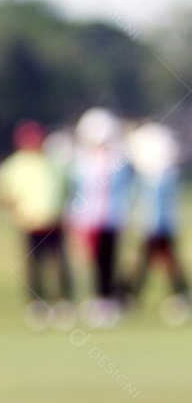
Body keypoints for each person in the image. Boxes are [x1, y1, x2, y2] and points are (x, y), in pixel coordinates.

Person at [0, 120, 75, 330]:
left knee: (59, 265)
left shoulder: (53, 163)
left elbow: (67, 188)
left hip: (54, 222)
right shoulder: (15, 165)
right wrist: (16, 212)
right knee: (34, 266)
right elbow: (2, 192)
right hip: (30, 223)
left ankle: (64, 303)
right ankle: (37, 305)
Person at [68, 107, 134, 327]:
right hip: (90, 219)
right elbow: (77, 193)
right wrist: (76, 218)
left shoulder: (118, 161)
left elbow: (125, 192)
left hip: (112, 218)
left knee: (110, 260)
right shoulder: (82, 162)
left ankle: (110, 298)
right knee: (93, 261)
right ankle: (99, 298)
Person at [126, 121, 190, 325]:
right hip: (150, 227)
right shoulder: (147, 180)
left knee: (167, 262)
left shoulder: (167, 178)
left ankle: (179, 295)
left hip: (163, 227)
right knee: (146, 262)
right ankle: (130, 296)